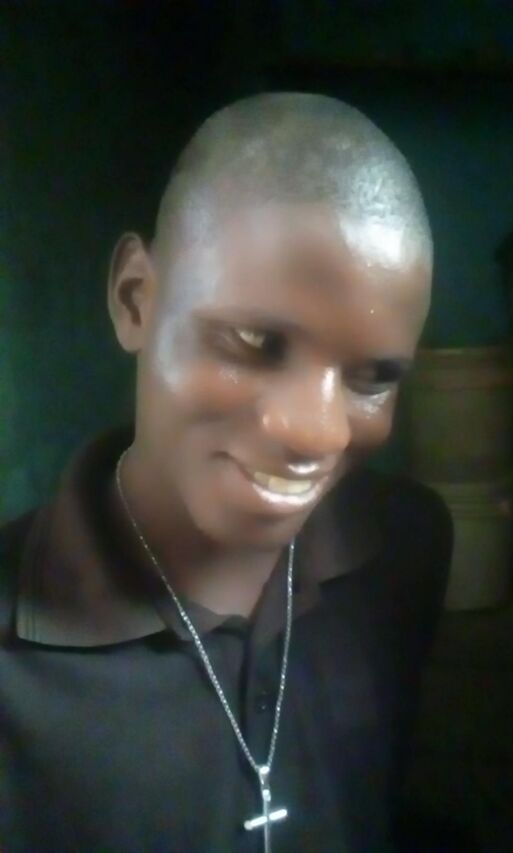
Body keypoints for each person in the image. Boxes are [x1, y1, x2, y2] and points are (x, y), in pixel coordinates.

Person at [0, 92, 453, 852]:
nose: (318, 431)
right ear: (135, 300)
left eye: (372, 378)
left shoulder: (405, 552)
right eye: (255, 343)